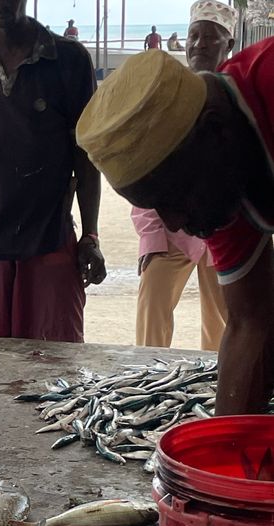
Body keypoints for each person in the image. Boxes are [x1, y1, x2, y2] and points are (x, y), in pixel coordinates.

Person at [76, 35, 274, 415]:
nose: (175, 223)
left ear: (215, 130)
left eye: (172, 196)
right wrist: (221, 453)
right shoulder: (221, 165)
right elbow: (249, 322)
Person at [0, 0, 106, 342]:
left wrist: (90, 236)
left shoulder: (70, 60)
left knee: (54, 374)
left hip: (49, 244)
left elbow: (85, 157)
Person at [132, 0, 236, 351]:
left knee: (228, 324)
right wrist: (150, 239)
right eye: (194, 36)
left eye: (211, 37)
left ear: (229, 44)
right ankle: (144, 379)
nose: (199, 44)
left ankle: (221, 390)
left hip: (227, 230)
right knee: (152, 309)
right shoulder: (162, 92)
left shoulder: (239, 96)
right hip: (171, 229)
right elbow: (141, 169)